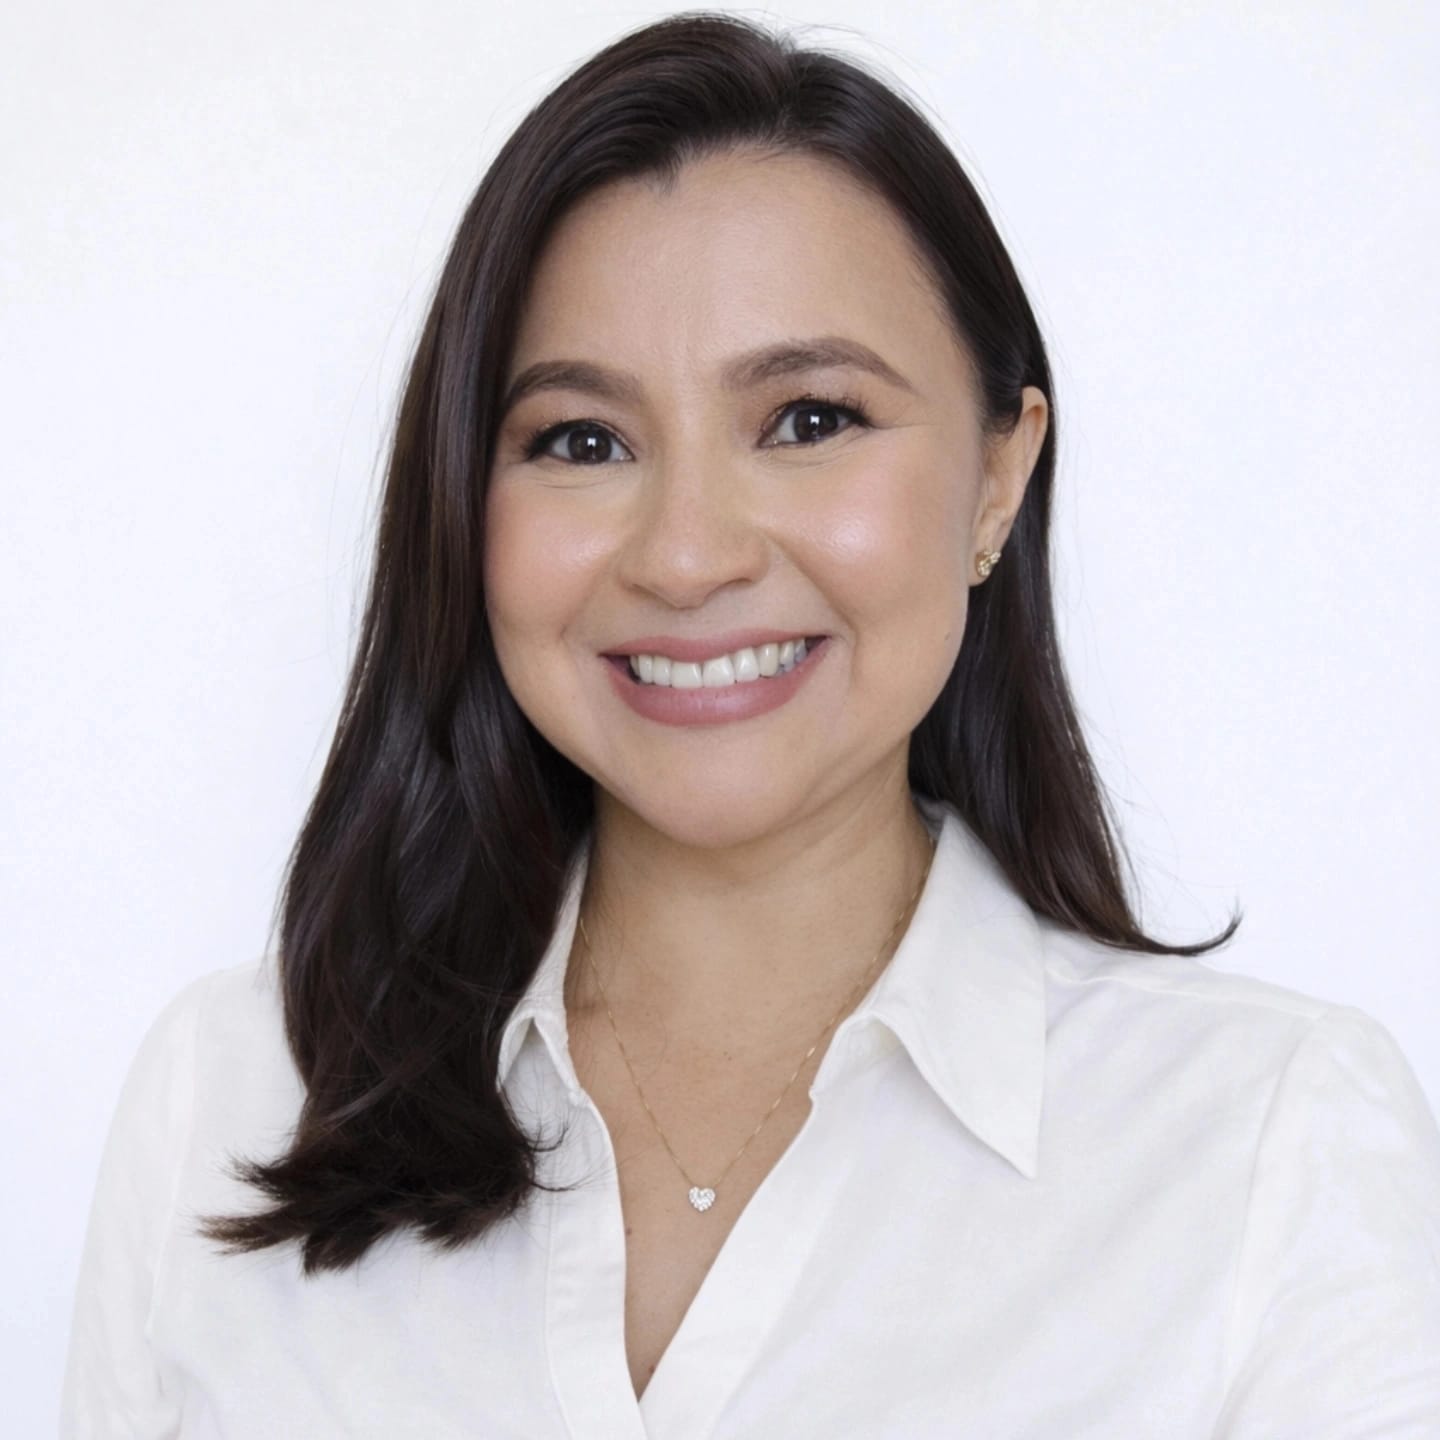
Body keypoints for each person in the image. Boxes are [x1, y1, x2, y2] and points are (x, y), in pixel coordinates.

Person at [61, 11, 1440, 1437]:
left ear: (998, 477)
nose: (687, 555)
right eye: (582, 441)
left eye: (811, 419)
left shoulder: (1272, 1146)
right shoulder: (230, 1100)